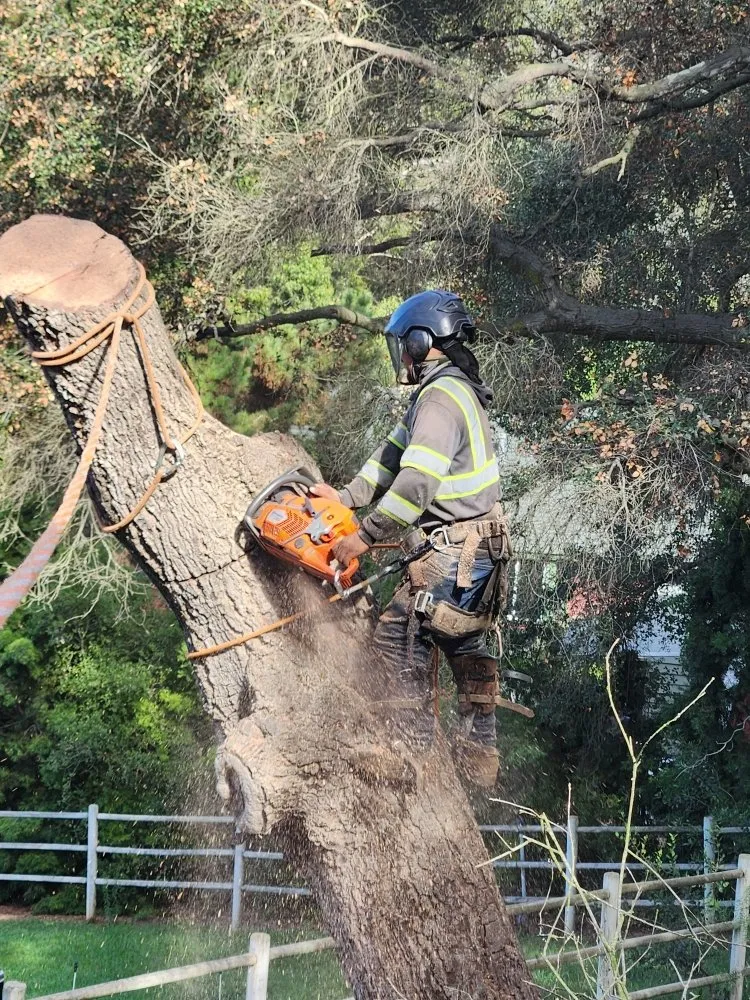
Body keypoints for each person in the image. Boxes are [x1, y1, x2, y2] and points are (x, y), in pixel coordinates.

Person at [313, 290, 511, 788]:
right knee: (462, 637)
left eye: (405, 343)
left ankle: (409, 748)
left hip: (457, 549)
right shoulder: (446, 390)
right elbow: (391, 456)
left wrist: (364, 534)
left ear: (423, 342)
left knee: (400, 631)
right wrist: (346, 497)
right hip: (480, 547)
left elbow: (417, 484)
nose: (400, 354)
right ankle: (479, 747)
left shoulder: (441, 399)